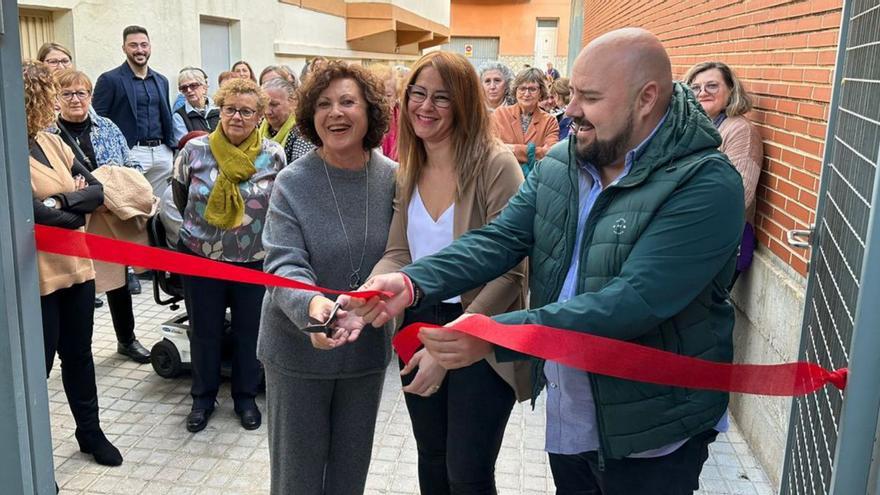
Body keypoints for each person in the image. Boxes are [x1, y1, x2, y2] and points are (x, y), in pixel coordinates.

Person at [342, 28, 745, 495]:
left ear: (646, 99)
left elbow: (634, 302)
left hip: (653, 425)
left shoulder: (705, 184)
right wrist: (411, 283)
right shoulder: (564, 164)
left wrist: (492, 335)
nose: (570, 110)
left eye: (589, 97)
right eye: (572, 92)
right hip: (573, 409)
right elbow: (499, 240)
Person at [372, 50, 531, 495]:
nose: (426, 107)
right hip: (419, 325)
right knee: (432, 457)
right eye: (418, 94)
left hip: (481, 330)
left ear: (464, 103)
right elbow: (399, 253)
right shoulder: (409, 168)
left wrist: (451, 347)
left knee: (468, 472)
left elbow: (511, 269)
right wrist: (369, 290)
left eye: (442, 97)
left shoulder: (496, 165)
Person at [257, 61, 396, 495]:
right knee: (296, 479)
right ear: (310, 116)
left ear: (370, 111)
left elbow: (401, 254)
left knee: (348, 477)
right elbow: (282, 262)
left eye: (347, 102)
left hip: (364, 352)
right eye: (323, 104)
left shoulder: (394, 178)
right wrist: (316, 310)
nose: (335, 113)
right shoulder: (292, 182)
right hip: (298, 350)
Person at [171, 78, 286, 433]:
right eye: (229, 109)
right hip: (201, 257)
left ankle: (245, 396)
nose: (236, 117)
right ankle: (202, 399)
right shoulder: (195, 151)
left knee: (249, 332)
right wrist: (208, 233)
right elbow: (179, 195)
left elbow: (280, 207)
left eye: (246, 111)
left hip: (253, 259)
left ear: (259, 116)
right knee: (204, 331)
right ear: (219, 110)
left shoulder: (274, 155)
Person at [24, 61, 122, 467]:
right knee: (39, 368)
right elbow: (27, 214)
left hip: (77, 269)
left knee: (79, 356)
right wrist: (72, 209)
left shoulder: (53, 143)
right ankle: (33, 455)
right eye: (48, 95)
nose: (55, 103)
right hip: (38, 277)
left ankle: (90, 433)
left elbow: (97, 191)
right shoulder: (8, 151)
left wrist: (61, 204)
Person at [53, 68, 153, 364]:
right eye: (67, 93)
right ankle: (79, 349)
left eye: (81, 93)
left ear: (90, 96)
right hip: (74, 217)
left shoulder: (107, 126)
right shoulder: (49, 135)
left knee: (117, 278)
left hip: (109, 213)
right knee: (81, 284)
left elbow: (130, 161)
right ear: (57, 99)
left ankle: (127, 339)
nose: (75, 99)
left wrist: (118, 184)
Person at [684, 61, 762, 284]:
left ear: (731, 90)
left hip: (722, 241)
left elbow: (741, 195)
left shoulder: (740, 131)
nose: (702, 93)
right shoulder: (697, 127)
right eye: (695, 88)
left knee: (701, 314)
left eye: (712, 86)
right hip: (691, 236)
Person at [92, 25, 175, 199]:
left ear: (150, 47)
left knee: (160, 206)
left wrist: (170, 148)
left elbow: (166, 115)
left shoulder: (161, 80)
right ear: (124, 48)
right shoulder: (109, 80)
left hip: (162, 153)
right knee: (133, 204)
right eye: (133, 45)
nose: (140, 50)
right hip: (132, 152)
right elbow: (97, 121)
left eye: (144, 45)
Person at [492, 67, 559, 176]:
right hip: (503, 177)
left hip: (535, 180)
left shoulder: (550, 121)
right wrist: (536, 152)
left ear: (541, 92)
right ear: (515, 90)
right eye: (522, 88)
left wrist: (513, 149)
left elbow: (551, 154)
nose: (526, 94)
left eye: (532, 89)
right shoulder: (500, 114)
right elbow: (491, 149)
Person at [260, 77, 313, 164]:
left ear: (293, 102)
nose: (267, 111)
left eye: (274, 105)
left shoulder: (302, 131)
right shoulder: (258, 126)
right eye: (264, 104)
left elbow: (301, 168)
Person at [172, 67, 219, 144]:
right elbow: (187, 144)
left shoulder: (219, 108)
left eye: (193, 85)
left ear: (204, 87)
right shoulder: (179, 116)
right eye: (184, 88)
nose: (189, 90)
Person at [370, 63, 402, 160]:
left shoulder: (404, 118)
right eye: (377, 94)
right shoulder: (366, 120)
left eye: (388, 95)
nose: (383, 101)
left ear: (396, 96)